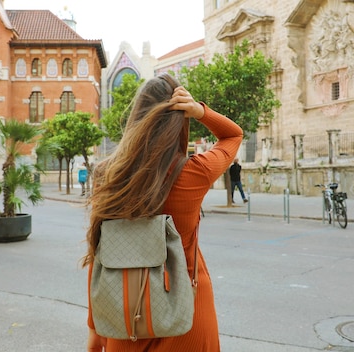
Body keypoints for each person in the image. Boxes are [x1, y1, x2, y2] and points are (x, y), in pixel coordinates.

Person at [83, 73, 243, 351]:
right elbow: (233, 135)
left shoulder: (107, 174)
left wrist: (96, 331)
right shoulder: (195, 172)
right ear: (179, 121)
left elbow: (100, 255)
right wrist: (199, 111)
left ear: (136, 117)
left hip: (125, 313)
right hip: (189, 310)